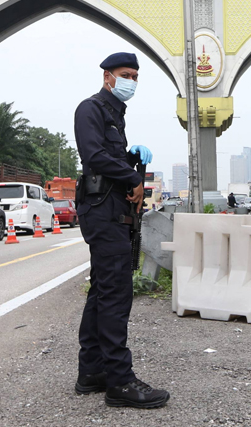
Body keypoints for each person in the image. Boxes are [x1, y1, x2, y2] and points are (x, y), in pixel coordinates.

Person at [73, 52, 169, 409]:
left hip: (113, 210)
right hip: (101, 211)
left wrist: (130, 158)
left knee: (102, 289)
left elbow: (110, 158)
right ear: (107, 76)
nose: (132, 81)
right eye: (126, 74)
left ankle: (92, 372)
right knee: (116, 293)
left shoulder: (115, 114)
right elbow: (93, 156)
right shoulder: (91, 109)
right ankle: (120, 381)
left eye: (136, 76)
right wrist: (132, 176)